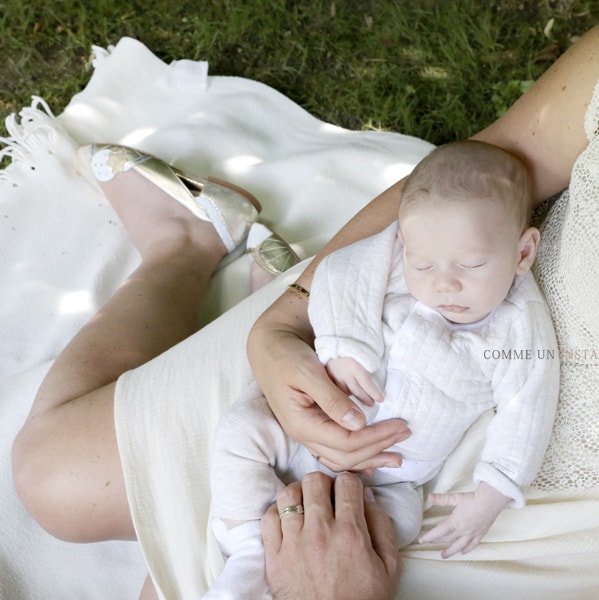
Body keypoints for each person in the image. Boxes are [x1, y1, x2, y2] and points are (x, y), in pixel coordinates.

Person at [10, 0, 599, 598]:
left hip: (547, 503)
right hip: (423, 322)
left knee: (195, 564)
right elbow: (507, 154)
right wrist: (289, 314)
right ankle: (184, 245)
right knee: (51, 479)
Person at [205, 141, 558, 599]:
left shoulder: (518, 327)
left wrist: (492, 494)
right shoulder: (393, 258)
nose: (442, 283)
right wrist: (343, 345)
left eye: (472, 264)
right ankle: (253, 550)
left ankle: (272, 546)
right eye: (423, 264)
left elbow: (527, 407)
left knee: (397, 528)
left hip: (391, 478)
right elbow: (340, 274)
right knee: (240, 430)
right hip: (310, 430)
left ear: (523, 252)